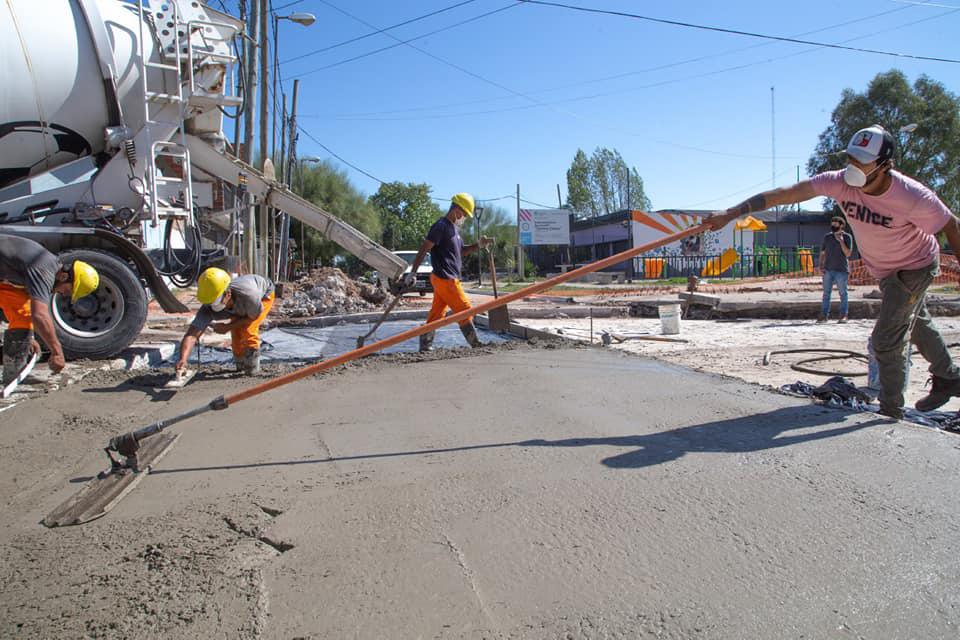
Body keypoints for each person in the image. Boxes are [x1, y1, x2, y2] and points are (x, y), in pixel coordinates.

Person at [707, 124, 960, 419]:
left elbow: (951, 225)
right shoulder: (839, 182)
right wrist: (731, 213)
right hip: (885, 269)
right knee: (916, 322)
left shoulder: (911, 196)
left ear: (885, 165)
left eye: (861, 162)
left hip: (914, 266)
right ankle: (949, 377)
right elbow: (785, 194)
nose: (853, 168)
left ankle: (891, 412)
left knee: (885, 339)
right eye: (851, 158)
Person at [0, 235, 99, 383]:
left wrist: (26, 338)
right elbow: (39, 315)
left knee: (23, 315)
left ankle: (13, 373)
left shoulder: (46, 267)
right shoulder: (44, 270)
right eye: (68, 291)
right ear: (65, 277)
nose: (64, 294)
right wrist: (57, 351)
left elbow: (28, 309)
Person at [407, 193, 493, 351]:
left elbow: (461, 251)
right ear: (456, 210)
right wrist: (413, 272)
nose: (464, 218)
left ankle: (425, 345)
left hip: (444, 279)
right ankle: (475, 344)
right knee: (465, 310)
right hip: (446, 278)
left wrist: (478, 245)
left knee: (436, 315)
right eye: (464, 214)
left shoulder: (454, 230)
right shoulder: (441, 226)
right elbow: (424, 248)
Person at [175, 268, 275, 375]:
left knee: (248, 329)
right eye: (211, 303)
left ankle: (252, 368)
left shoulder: (249, 295)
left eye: (216, 302)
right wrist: (183, 359)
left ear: (228, 294)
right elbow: (192, 335)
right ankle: (240, 365)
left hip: (263, 295)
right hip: (240, 305)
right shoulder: (209, 306)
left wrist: (228, 327)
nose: (214, 307)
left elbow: (253, 317)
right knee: (236, 333)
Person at [818, 215, 853, 323]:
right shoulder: (827, 237)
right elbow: (823, 253)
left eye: (835, 223)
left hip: (841, 270)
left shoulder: (847, 237)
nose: (833, 224)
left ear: (841, 225)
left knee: (843, 294)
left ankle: (843, 315)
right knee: (826, 294)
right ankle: (824, 316)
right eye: (832, 222)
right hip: (828, 269)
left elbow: (848, 253)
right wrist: (820, 266)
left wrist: (841, 241)